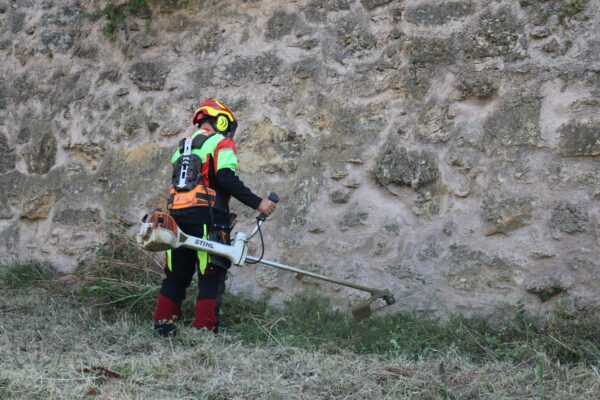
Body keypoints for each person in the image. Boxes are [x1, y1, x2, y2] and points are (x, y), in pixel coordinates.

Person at [153, 99, 277, 336]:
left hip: (177, 216)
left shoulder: (182, 148)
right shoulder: (222, 143)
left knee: (176, 276)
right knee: (211, 274)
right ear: (222, 121)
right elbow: (226, 178)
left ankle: (163, 326)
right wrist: (260, 203)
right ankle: (205, 331)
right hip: (208, 218)